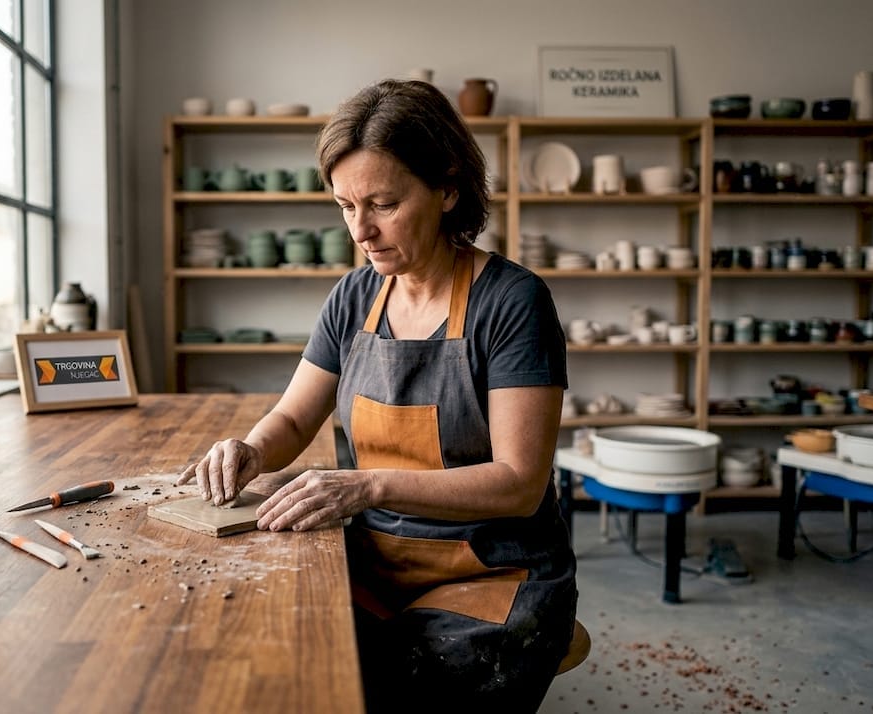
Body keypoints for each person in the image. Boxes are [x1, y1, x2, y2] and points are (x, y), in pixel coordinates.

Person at [178, 78, 577, 712]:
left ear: (447, 188)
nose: (360, 230)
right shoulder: (354, 298)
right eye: (344, 206)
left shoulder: (512, 303)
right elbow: (292, 415)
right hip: (371, 562)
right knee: (273, 655)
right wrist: (250, 449)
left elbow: (519, 482)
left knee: (391, 689)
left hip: (492, 579)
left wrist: (368, 485)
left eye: (383, 204)